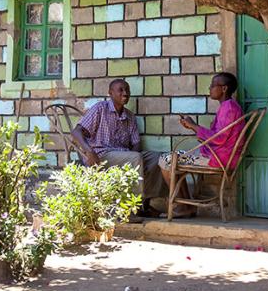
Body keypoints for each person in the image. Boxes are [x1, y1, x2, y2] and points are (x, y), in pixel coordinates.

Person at [72, 78, 165, 220]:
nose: (125, 93)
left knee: (158, 158)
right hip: (101, 156)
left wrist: (134, 153)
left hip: (123, 155)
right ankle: (128, 210)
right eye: (121, 90)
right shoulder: (100, 108)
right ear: (110, 93)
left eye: (127, 90)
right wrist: (89, 152)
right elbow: (76, 132)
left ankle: (144, 203)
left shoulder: (129, 116)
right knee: (135, 158)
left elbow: (136, 143)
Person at [160, 72, 244, 218]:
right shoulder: (228, 106)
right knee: (172, 158)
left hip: (217, 159)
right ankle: (186, 206)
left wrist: (194, 126)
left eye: (213, 85)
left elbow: (219, 138)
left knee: (165, 159)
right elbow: (217, 137)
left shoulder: (229, 108)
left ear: (224, 89)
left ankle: (183, 206)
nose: (210, 88)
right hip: (217, 156)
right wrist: (193, 126)